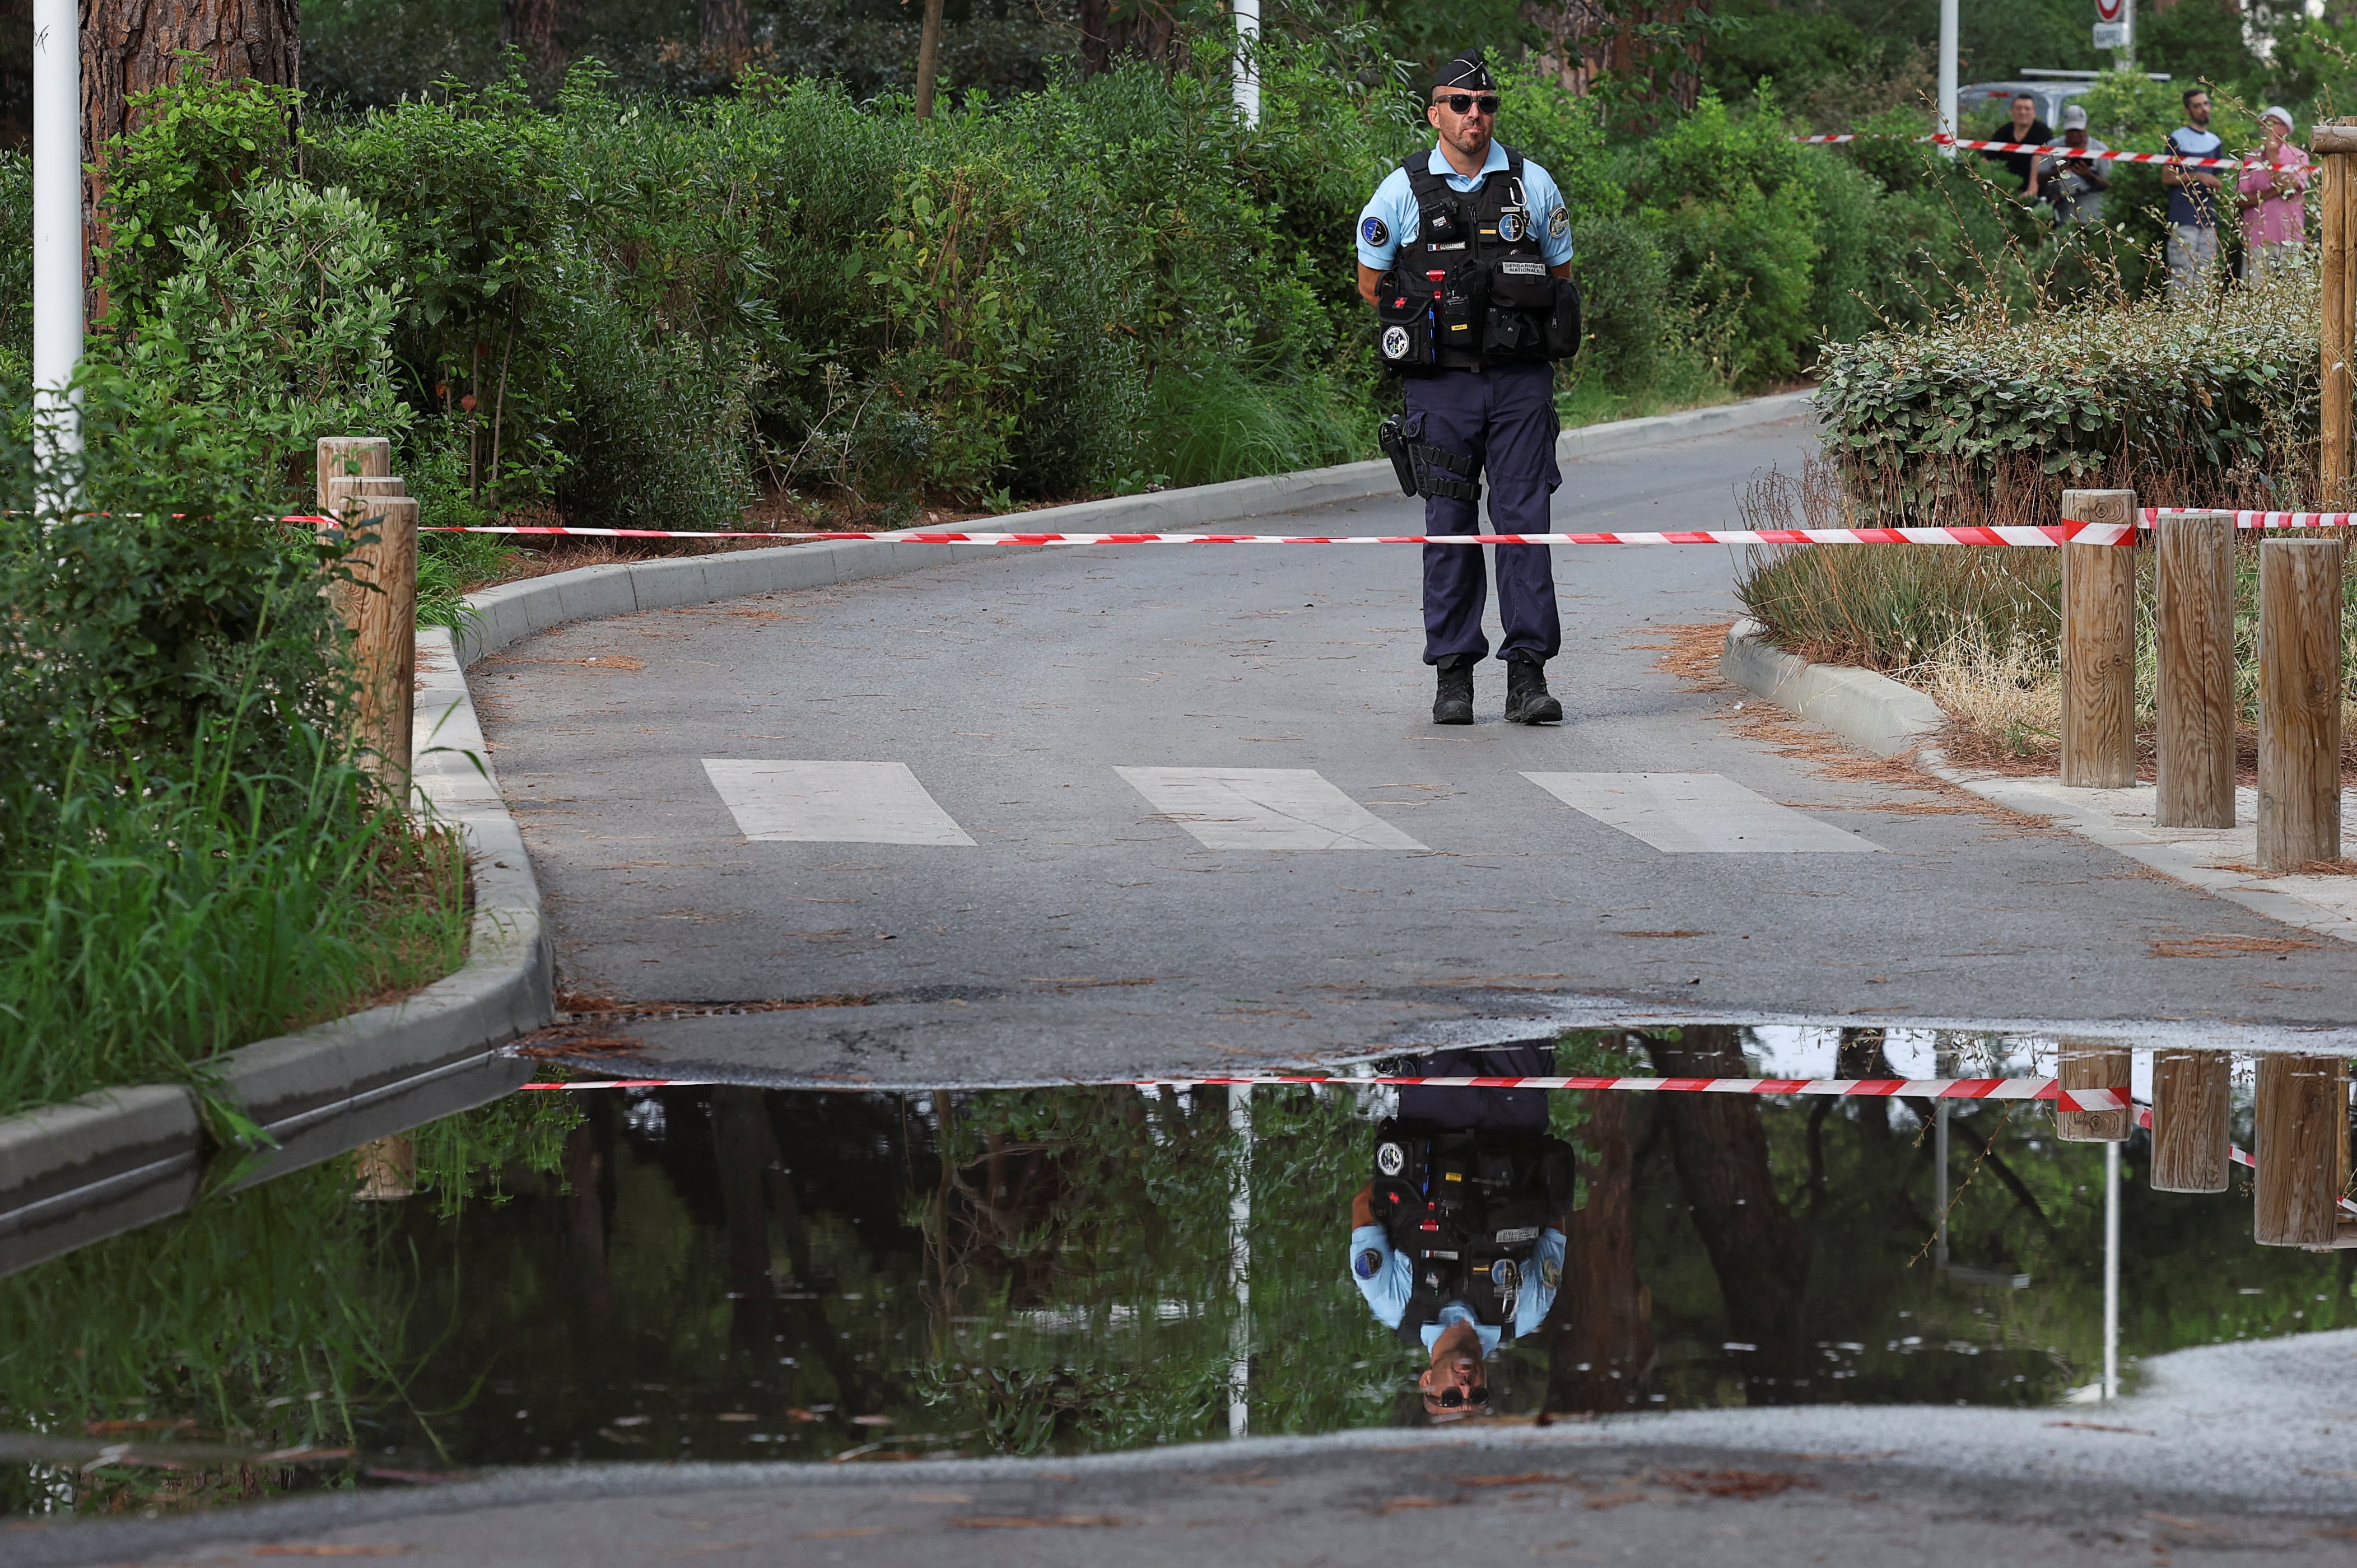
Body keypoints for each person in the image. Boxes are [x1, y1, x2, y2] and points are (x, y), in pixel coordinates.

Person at [1357, 50, 1581, 727]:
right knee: (1449, 531)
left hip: (1518, 386)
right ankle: (1453, 679)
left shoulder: (1530, 183)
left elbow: (1562, 276)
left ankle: (1527, 679)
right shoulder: (1399, 192)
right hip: (1440, 390)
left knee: (1523, 528)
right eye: (1460, 104)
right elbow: (1371, 285)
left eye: (1485, 105)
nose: (1474, 116)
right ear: (1434, 113)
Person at [1346, 1044, 1575, 1421]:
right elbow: (1554, 1224)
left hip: (1435, 1121)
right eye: (1478, 1395)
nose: (1466, 1387)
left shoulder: (1393, 1304)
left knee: (1443, 1025)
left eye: (1450, 1398)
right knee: (1524, 1023)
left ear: (1426, 1381)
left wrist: (1418, 1193)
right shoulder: (1524, 1314)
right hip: (1517, 1127)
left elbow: (1364, 1205)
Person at [2163, 88, 2226, 299]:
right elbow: (2167, 177)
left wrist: (2214, 183)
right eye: (2198, 106)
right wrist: (2196, 175)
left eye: (2206, 104)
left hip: (2208, 218)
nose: (2204, 109)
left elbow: (2218, 180)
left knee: (2207, 275)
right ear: (2188, 110)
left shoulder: (2215, 142)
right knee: (2183, 273)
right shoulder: (2177, 139)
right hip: (2183, 217)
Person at [2238, 106, 2311, 278]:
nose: (2266, 127)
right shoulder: (2250, 158)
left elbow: (2291, 187)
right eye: (2263, 123)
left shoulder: (2299, 156)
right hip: (2257, 239)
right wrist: (2274, 191)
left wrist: (2272, 156)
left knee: (2290, 295)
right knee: (2255, 294)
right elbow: (2240, 200)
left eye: (2272, 123)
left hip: (2290, 238)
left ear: (2286, 129)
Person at [2028, 105, 2110, 226]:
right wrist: (2058, 171)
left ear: (2086, 127)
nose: (2075, 134)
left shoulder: (2100, 150)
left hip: (2092, 214)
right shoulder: (2053, 147)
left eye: (2078, 130)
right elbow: (2039, 179)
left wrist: (2089, 176)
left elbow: (2109, 185)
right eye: (2071, 130)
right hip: (2061, 213)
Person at [1981, 92, 2052, 190]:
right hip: (2005, 187)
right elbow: (1988, 159)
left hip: (2036, 189)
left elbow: (2040, 159)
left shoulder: (2043, 132)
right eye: (2018, 108)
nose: (2023, 112)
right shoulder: (2003, 132)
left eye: (2027, 109)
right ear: (2011, 111)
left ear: (2034, 112)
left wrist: (2032, 190)